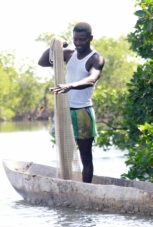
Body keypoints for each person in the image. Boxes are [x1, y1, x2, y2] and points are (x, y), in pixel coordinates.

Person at [38, 22, 105, 183]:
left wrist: (70, 85)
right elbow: (42, 62)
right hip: (65, 111)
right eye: (75, 39)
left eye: (82, 40)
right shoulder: (69, 54)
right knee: (64, 152)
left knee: (85, 155)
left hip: (83, 111)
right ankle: (67, 184)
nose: (78, 43)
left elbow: (92, 78)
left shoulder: (95, 58)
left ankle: (86, 189)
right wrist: (56, 45)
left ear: (90, 38)